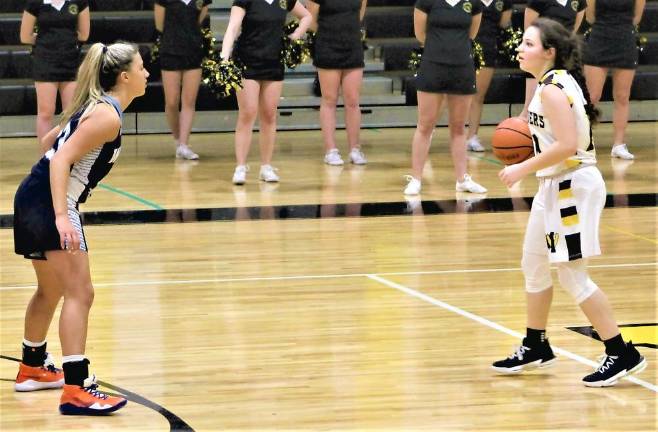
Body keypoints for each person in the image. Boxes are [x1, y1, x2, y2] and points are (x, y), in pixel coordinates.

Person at [491, 18, 646, 387]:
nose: (520, 48)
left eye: (528, 44)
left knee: (572, 274)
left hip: (571, 187)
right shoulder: (551, 83)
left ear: (549, 52)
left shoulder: (552, 90)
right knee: (533, 264)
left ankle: (621, 350)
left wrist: (521, 168)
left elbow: (566, 145)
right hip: (554, 183)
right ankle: (536, 344)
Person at [13, 42, 149, 414]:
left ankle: (33, 366)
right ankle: (76, 388)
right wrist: (61, 215)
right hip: (49, 202)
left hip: (31, 195)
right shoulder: (107, 116)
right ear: (125, 77)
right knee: (81, 293)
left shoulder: (96, 107)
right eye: (141, 68)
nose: (147, 74)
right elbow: (59, 162)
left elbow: (48, 143)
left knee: (52, 288)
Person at [221, 0, 311, 185]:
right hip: (247, 61)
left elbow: (307, 16)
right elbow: (233, 26)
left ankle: (266, 166)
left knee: (269, 115)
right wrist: (224, 56)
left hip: (273, 63)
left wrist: (295, 37)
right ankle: (240, 166)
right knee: (248, 112)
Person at [404, 0, 487, 196]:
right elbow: (420, 34)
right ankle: (416, 179)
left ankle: (462, 179)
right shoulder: (426, 2)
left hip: (462, 69)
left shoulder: (473, 3)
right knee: (425, 125)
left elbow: (471, 35)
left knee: (459, 127)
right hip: (432, 66)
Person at [20, 0, 90, 150]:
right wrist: (48, 42)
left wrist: (63, 41)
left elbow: (84, 35)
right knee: (45, 112)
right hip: (44, 62)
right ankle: (46, 159)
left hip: (70, 62)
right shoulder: (35, 2)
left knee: (71, 112)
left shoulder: (79, 2)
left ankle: (68, 156)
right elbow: (25, 36)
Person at [306, 0, 368, 167]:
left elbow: (359, 15)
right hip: (327, 46)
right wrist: (330, 33)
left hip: (353, 46)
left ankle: (355, 149)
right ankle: (330, 150)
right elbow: (310, 21)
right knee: (329, 99)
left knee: (353, 100)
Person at [583, 0, 646, 160]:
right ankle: (582, 142)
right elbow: (590, 17)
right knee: (592, 96)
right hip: (599, 38)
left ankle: (619, 145)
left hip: (625, 39)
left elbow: (636, 18)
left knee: (622, 96)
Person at [154, 0, 212, 160]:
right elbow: (159, 25)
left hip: (193, 50)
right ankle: (178, 140)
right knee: (172, 101)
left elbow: (198, 20)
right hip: (170, 50)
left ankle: (184, 145)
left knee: (189, 101)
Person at [518, 0, 586, 120]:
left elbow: (574, 26)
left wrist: (562, 43)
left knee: (565, 103)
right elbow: (529, 29)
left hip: (565, 56)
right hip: (542, 54)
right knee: (532, 107)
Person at [466, 0, 513, 152]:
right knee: (449, 93)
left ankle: (471, 137)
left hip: (488, 48)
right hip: (463, 45)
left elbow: (504, 23)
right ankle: (429, 130)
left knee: (478, 95)